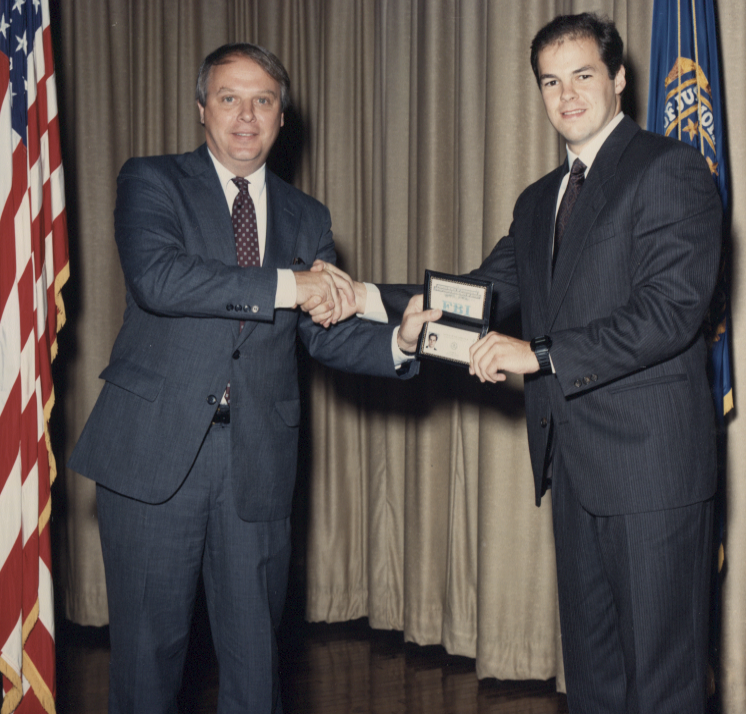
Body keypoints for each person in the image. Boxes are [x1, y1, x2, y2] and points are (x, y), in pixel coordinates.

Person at [315, 12, 722, 714]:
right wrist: (363, 300)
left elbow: (670, 313)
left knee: (663, 686)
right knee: (594, 681)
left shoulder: (671, 168)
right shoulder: (539, 201)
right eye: (550, 81)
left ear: (620, 79)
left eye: (583, 76)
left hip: (654, 476)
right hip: (573, 472)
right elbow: (476, 295)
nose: (566, 96)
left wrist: (537, 355)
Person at [67, 43, 427, 714]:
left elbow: (327, 333)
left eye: (263, 101)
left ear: (282, 119)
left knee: (255, 669)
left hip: (256, 464)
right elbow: (162, 278)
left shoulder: (308, 216)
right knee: (146, 669)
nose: (245, 116)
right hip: (152, 458)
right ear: (202, 108)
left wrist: (398, 343)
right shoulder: (151, 181)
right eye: (229, 98)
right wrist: (294, 283)